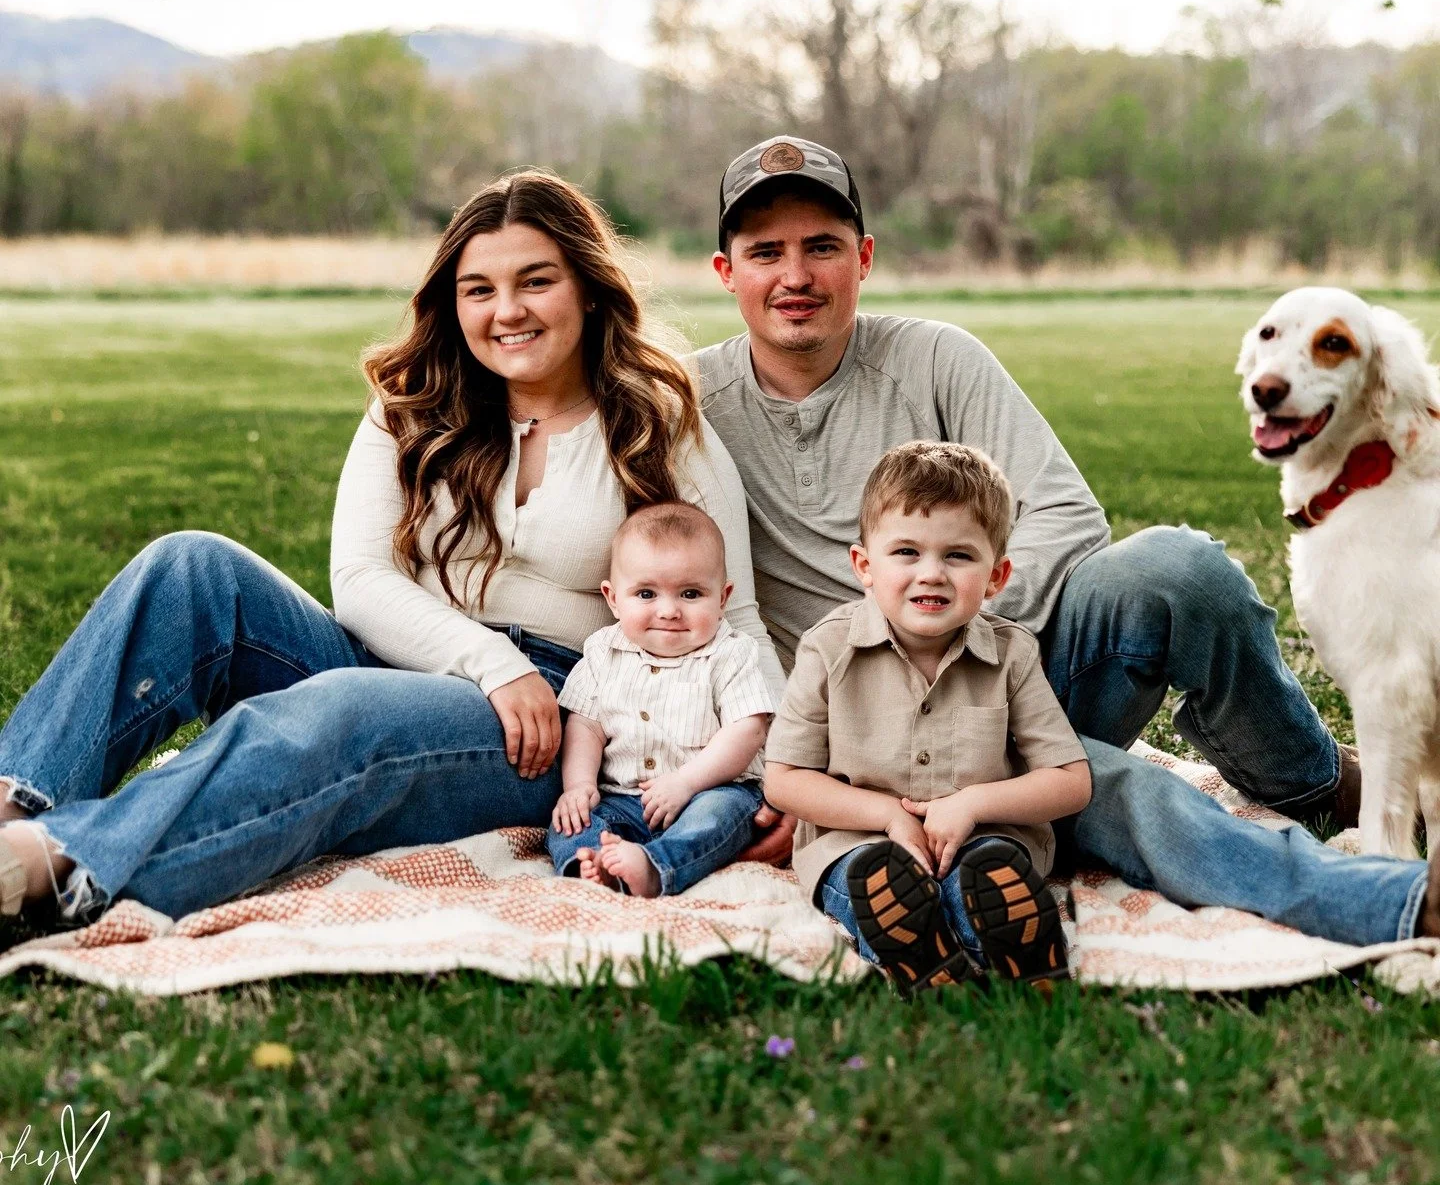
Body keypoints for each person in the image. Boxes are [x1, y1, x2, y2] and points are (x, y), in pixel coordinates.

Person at [701, 134, 1440, 948]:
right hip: (848, 738)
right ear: (726, 271)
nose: (796, 276)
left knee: (1181, 570)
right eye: (765, 252)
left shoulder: (937, 357)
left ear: (865, 257)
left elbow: (1065, 517)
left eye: (822, 248)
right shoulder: (690, 400)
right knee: (1116, 788)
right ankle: (1390, 900)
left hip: (1009, 675)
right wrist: (774, 761)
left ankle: (1317, 783)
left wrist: (961, 644)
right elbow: (696, 596)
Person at [0, 171, 784, 927]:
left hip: (553, 717)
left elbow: (737, 615)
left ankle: (60, 868)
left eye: (536, 282)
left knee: (336, 711)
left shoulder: (656, 423)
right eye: (479, 289)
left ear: (586, 286)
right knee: (189, 567)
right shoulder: (411, 402)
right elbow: (360, 580)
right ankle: (13, 803)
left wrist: (780, 776)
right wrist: (488, 660)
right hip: (407, 656)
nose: (507, 310)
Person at [766, 442, 1091, 994]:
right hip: (861, 842)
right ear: (864, 565)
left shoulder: (1011, 654)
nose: (932, 574)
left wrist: (972, 804)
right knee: (875, 880)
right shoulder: (827, 649)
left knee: (986, 876)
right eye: (907, 553)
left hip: (985, 842)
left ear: (997, 576)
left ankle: (1018, 948)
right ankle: (922, 951)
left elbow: (1071, 781)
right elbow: (784, 779)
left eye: (959, 556)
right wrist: (889, 816)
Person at [547, 501, 777, 897]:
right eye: (646, 593)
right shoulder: (603, 652)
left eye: (690, 593)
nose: (669, 611)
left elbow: (748, 729)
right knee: (571, 819)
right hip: (622, 798)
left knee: (720, 817)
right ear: (613, 598)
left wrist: (687, 783)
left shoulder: (731, 653)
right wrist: (579, 785)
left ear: (722, 598)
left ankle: (657, 868)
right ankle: (591, 865)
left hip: (709, 791)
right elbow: (585, 725)